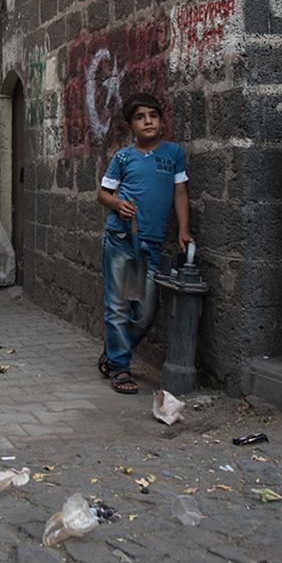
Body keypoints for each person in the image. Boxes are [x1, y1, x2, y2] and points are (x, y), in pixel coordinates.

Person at [95, 93, 194, 394]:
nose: (148, 120)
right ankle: (120, 367)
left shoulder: (173, 154)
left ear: (162, 121)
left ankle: (114, 353)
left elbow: (180, 193)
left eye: (153, 115)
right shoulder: (123, 158)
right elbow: (103, 194)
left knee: (145, 311)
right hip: (123, 240)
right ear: (131, 126)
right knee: (119, 305)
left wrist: (184, 230)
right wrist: (117, 204)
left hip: (149, 247)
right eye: (140, 117)